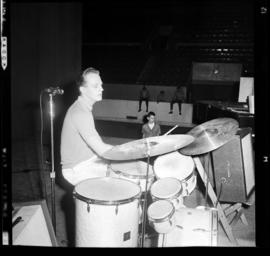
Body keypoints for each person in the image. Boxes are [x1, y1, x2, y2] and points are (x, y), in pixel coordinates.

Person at [60, 67, 113, 186]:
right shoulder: (80, 112)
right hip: (77, 168)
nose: (102, 89)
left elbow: (99, 146)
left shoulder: (83, 107)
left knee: (120, 170)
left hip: (88, 159)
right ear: (83, 90)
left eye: (101, 85)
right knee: (119, 181)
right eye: (96, 86)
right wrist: (129, 152)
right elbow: (102, 150)